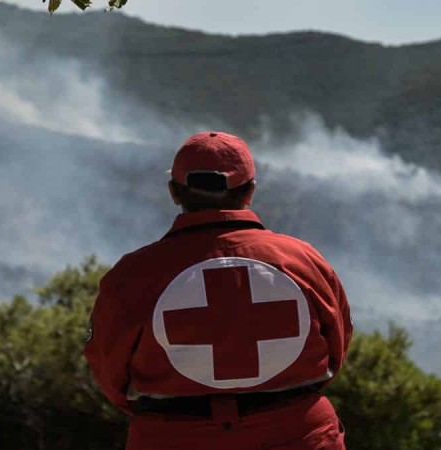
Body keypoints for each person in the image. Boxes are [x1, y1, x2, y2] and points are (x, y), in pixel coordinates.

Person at [84, 131, 353, 450]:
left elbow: (108, 366)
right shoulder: (303, 261)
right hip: (298, 436)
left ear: (174, 192)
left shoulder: (131, 276)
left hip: (173, 439)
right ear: (250, 191)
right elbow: (337, 348)